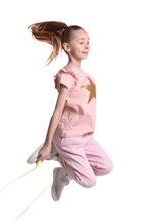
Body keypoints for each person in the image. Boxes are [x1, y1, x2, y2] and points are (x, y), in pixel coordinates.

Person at [27, 21, 113, 201]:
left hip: (85, 136)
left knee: (106, 167)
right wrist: (47, 142)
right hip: (68, 138)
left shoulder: (88, 76)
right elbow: (57, 111)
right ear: (67, 46)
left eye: (88, 41)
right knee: (89, 182)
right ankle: (54, 150)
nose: (87, 45)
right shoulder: (67, 75)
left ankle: (62, 168)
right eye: (81, 42)